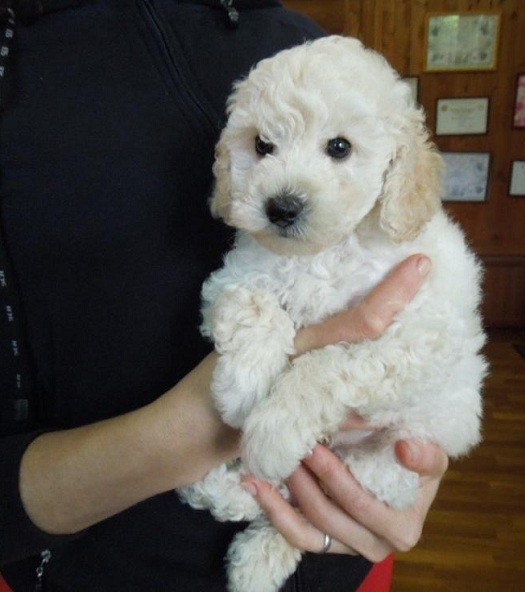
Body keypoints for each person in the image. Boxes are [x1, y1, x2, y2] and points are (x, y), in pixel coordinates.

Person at [0, 1, 448, 590]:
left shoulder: (297, 37)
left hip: (347, 552)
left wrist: (414, 458)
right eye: (264, 147)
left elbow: (425, 283)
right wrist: (195, 431)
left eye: (336, 149)